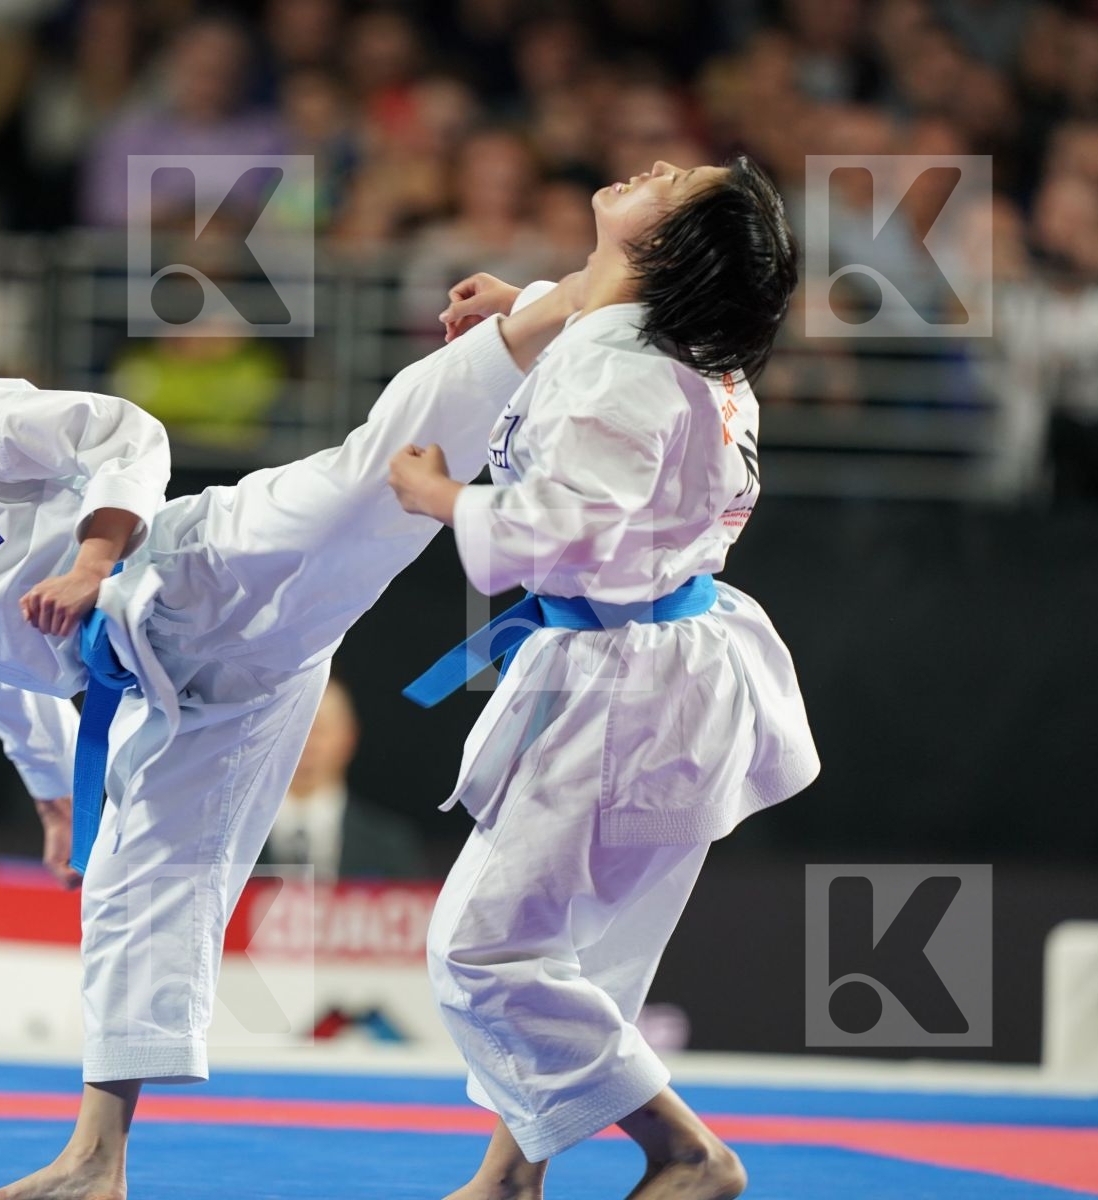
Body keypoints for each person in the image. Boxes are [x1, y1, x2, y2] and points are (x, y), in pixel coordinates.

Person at [0, 274, 577, 1198]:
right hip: (192, 699)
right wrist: (55, 799)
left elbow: (129, 433)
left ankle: (554, 307)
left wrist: (95, 559)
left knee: (368, 477)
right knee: (133, 894)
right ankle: (96, 1164)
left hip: (202, 574)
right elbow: (5, 685)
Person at [386, 158, 820, 1200]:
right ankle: (509, 1176)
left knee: (483, 950)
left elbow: (550, 530)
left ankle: (688, 1155)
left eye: (681, 185)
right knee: (585, 949)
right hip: (679, 664)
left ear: (665, 251)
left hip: (623, 683)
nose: (663, 165)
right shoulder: (681, 346)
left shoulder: (617, 371)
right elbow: (608, 313)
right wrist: (533, 304)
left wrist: (441, 496)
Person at [259, 678, 425, 881]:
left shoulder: (391, 846)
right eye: (292, 728)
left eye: (319, 728)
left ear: (349, 737)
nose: (305, 741)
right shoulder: (226, 845)